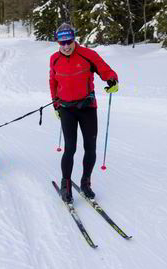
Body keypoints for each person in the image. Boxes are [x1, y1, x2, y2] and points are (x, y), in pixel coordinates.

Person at [49, 23, 119, 203]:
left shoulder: (88, 55)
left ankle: (86, 182)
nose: (66, 46)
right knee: (70, 147)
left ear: (74, 39)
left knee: (90, 147)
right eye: (62, 42)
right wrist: (56, 103)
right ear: (58, 42)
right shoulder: (54, 59)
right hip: (66, 109)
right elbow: (53, 82)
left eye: (69, 41)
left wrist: (112, 79)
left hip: (87, 107)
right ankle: (66, 184)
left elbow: (105, 69)